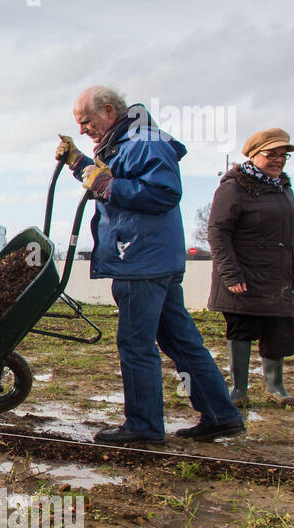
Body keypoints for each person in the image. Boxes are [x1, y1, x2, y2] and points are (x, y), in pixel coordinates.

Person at [55, 86, 245, 443]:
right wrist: (79, 162)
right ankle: (221, 414)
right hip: (151, 258)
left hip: (140, 260)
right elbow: (110, 179)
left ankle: (143, 426)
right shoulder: (128, 141)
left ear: (109, 111)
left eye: (85, 122)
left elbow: (162, 192)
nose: (82, 129)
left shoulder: (144, 141)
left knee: (135, 343)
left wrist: (108, 184)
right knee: (181, 340)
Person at [207, 128, 294, 406]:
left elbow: (291, 236)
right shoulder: (234, 186)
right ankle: (239, 390)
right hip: (243, 275)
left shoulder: (284, 188)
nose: (278, 160)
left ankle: (276, 387)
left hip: (277, 278)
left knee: (277, 330)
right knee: (242, 329)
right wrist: (231, 273)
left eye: (283, 156)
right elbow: (218, 232)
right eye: (272, 154)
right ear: (254, 155)